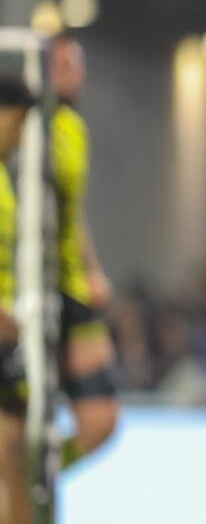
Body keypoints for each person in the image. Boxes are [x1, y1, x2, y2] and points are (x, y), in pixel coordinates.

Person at [48, 35, 120, 471]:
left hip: (72, 287)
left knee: (101, 420)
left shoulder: (74, 128)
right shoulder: (22, 129)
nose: (73, 72)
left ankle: (40, 475)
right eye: (62, 63)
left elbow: (72, 213)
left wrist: (92, 268)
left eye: (77, 63)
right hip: (30, 289)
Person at [0, 40, 39, 524]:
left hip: (6, 337)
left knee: (15, 455)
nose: (21, 135)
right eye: (17, 122)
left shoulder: (6, 178)